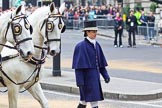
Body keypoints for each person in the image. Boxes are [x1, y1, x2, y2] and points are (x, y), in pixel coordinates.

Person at [72, 20, 110, 108]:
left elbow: (101, 64)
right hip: (86, 80)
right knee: (93, 103)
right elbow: (78, 68)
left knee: (83, 102)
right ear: (87, 32)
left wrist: (106, 75)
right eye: (93, 32)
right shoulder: (80, 46)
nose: (95, 33)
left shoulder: (97, 45)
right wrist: (79, 81)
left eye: (96, 31)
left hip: (95, 79)